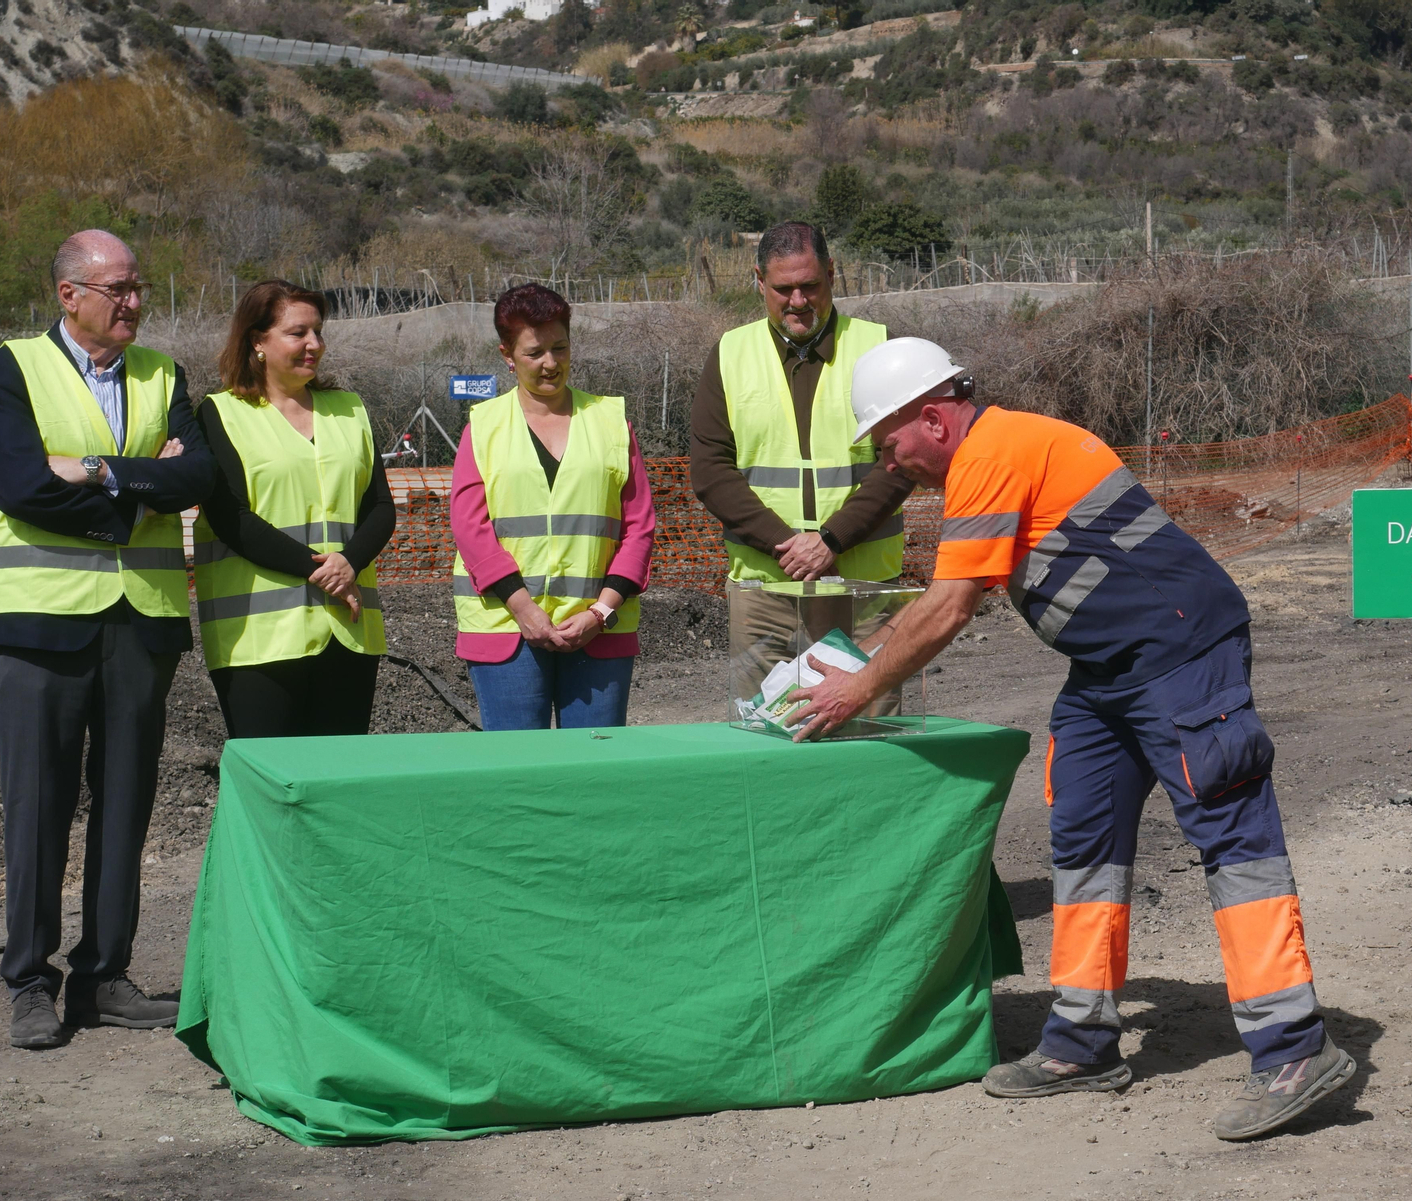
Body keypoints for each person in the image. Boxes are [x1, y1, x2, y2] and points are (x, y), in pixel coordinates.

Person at [786, 336, 1356, 1141]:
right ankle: (1083, 1040)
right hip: (1108, 668)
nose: (890, 461)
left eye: (889, 442)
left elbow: (949, 607)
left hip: (1181, 649)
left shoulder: (993, 452)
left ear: (934, 419)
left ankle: (1294, 1046)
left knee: (1233, 836)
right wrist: (859, 660)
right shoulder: (995, 449)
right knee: (1084, 834)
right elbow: (943, 598)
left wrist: (858, 686)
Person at [0, 229, 216, 1049]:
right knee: (37, 806)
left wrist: (98, 469)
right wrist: (141, 488)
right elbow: (21, 484)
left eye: (138, 286)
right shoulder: (13, 367)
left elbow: (199, 474)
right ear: (69, 294)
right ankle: (29, 982)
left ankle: (104, 974)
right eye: (118, 289)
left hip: (140, 623)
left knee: (125, 804)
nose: (134, 302)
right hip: (40, 623)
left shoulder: (164, 374)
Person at [689, 221, 911, 697]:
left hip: (863, 588)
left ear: (831, 273)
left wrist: (832, 539)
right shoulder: (729, 354)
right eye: (782, 288)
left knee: (867, 726)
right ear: (758, 281)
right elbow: (710, 470)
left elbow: (901, 460)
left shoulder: (879, 348)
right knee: (764, 725)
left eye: (810, 285)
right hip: (765, 595)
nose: (797, 301)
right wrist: (787, 547)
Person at [192, 280, 393, 737]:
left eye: (318, 332)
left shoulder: (350, 410)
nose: (314, 344)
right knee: (271, 772)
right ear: (257, 342)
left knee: (340, 772)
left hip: (348, 630)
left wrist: (350, 562)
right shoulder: (220, 413)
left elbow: (380, 505)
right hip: (258, 640)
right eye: (298, 333)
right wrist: (323, 571)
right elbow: (231, 519)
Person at [450, 283, 655, 730]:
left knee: (595, 763)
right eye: (534, 352)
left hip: (598, 630)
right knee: (518, 765)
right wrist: (524, 609)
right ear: (507, 355)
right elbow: (470, 527)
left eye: (560, 348)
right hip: (506, 629)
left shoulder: (611, 424)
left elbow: (638, 527)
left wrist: (600, 613)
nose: (550, 363)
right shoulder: (483, 428)